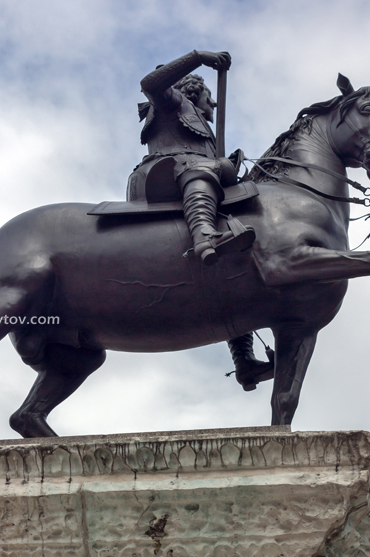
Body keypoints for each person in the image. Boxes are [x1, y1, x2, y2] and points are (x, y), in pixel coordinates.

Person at [130, 50, 273, 387]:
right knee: (203, 169)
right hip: (165, 174)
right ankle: (204, 237)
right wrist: (198, 57)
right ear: (195, 91)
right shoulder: (173, 101)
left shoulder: (200, 126)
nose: (215, 105)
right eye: (210, 97)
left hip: (198, 179)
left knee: (236, 277)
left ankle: (245, 360)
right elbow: (149, 82)